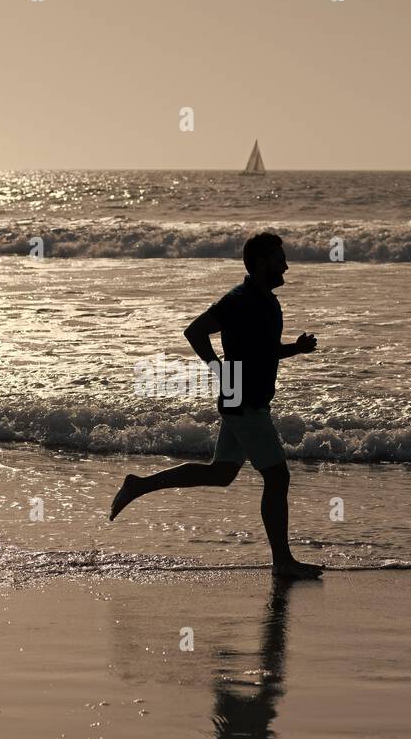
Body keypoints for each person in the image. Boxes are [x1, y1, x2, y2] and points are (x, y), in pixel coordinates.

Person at [109, 232, 323, 579]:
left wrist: (294, 349)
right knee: (277, 476)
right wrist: (218, 368)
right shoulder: (238, 300)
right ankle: (282, 562)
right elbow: (194, 331)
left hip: (245, 397)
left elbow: (262, 350)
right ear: (259, 263)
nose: (285, 264)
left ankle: (138, 484)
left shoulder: (266, 300)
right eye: (279, 258)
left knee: (221, 473)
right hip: (243, 398)